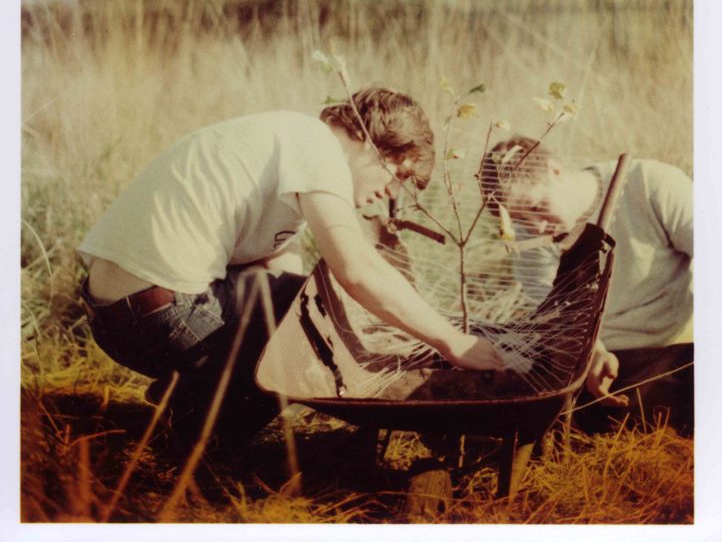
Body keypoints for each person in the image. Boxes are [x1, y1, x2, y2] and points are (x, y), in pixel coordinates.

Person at [79, 87, 508, 449]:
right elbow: (355, 269)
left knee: (301, 313)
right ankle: (194, 431)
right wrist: (451, 341)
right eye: (395, 174)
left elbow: (279, 274)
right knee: (313, 321)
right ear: (368, 142)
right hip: (159, 311)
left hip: (117, 312)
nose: (387, 192)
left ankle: (186, 400)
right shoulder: (317, 146)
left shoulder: (288, 139)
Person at [480, 136, 693, 435]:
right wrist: (592, 352)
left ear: (555, 170)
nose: (536, 226)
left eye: (537, 206)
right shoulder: (528, 238)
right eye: (519, 219)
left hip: (666, 352)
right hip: (591, 365)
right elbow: (560, 319)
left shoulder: (652, 184)